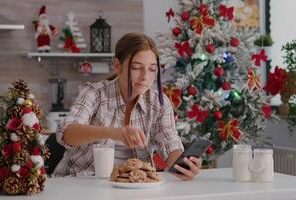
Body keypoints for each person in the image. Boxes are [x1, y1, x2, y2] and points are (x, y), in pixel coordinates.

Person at [54, 32, 201, 181]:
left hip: (135, 186)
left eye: (151, 69)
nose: (145, 77)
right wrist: (113, 132)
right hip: (82, 183)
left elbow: (170, 142)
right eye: (136, 67)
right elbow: (66, 133)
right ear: (117, 66)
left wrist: (184, 164)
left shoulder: (158, 103)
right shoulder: (95, 93)